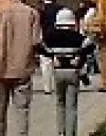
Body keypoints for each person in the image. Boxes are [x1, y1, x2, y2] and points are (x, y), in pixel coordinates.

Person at [0, 0, 42, 136]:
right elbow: (36, 41)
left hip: (0, 69)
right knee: (22, 110)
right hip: (22, 68)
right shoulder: (31, 13)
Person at [36, 8, 97, 136]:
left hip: (58, 72)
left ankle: (61, 132)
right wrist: (79, 56)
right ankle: (71, 133)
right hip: (73, 71)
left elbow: (40, 47)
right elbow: (91, 46)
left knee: (60, 103)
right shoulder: (77, 37)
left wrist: (52, 56)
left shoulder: (51, 36)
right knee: (72, 106)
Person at [37, 0, 60, 94]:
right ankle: (58, 86)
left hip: (46, 37)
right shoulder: (60, 8)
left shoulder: (41, 10)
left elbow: (38, 25)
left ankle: (47, 88)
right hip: (58, 37)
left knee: (46, 63)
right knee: (58, 62)